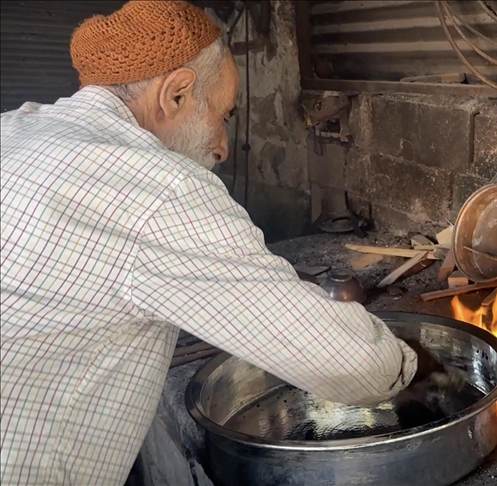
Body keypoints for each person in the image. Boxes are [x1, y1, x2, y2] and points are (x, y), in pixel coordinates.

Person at [0, 2, 419, 484]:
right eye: (222, 115)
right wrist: (414, 364)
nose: (222, 145)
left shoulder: (14, 127)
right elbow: (358, 367)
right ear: (175, 94)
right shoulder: (155, 188)